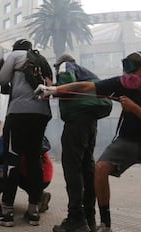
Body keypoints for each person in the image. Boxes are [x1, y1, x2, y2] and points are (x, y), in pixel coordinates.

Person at [35, 51, 141, 232]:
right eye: (125, 70)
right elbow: (86, 86)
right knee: (99, 169)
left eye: (132, 71)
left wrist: (135, 109)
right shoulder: (121, 84)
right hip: (127, 141)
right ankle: (104, 224)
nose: (127, 76)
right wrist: (54, 89)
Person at [0, 39, 52, 227]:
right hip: (41, 115)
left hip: (19, 114)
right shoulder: (42, 60)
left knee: (12, 160)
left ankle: (6, 213)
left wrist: (5, 69)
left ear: (16, 49)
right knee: (34, 160)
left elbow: (1, 80)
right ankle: (33, 211)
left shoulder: (15, 55)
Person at [51, 54, 100, 232]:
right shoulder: (85, 72)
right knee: (87, 168)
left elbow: (67, 84)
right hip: (90, 122)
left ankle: (76, 219)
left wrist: (52, 88)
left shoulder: (66, 66)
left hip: (77, 121)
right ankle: (89, 219)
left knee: (72, 168)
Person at [19, 136, 54, 213]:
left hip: (31, 178)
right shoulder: (38, 137)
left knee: (12, 174)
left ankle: (37, 200)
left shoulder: (19, 138)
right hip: (47, 177)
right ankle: (40, 195)